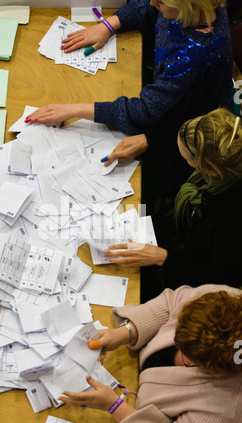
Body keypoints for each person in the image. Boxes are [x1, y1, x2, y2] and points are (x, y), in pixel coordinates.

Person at [59, 283, 242, 423]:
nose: (173, 342)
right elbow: (171, 303)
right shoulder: (226, 302)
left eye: (187, 356)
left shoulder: (227, 415)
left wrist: (115, 407)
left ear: (213, 369)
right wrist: (126, 332)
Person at [25, 0, 234, 136]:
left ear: (188, 8)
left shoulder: (191, 59)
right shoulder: (202, 7)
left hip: (183, 127)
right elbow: (149, 8)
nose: (153, 2)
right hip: (165, 88)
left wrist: (73, 110)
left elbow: (143, 112)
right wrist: (108, 25)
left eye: (160, 2)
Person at [103, 108, 242, 300]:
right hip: (185, 241)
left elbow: (216, 285)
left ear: (209, 171)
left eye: (186, 158)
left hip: (196, 284)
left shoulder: (230, 225)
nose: (183, 159)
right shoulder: (229, 156)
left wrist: (162, 258)